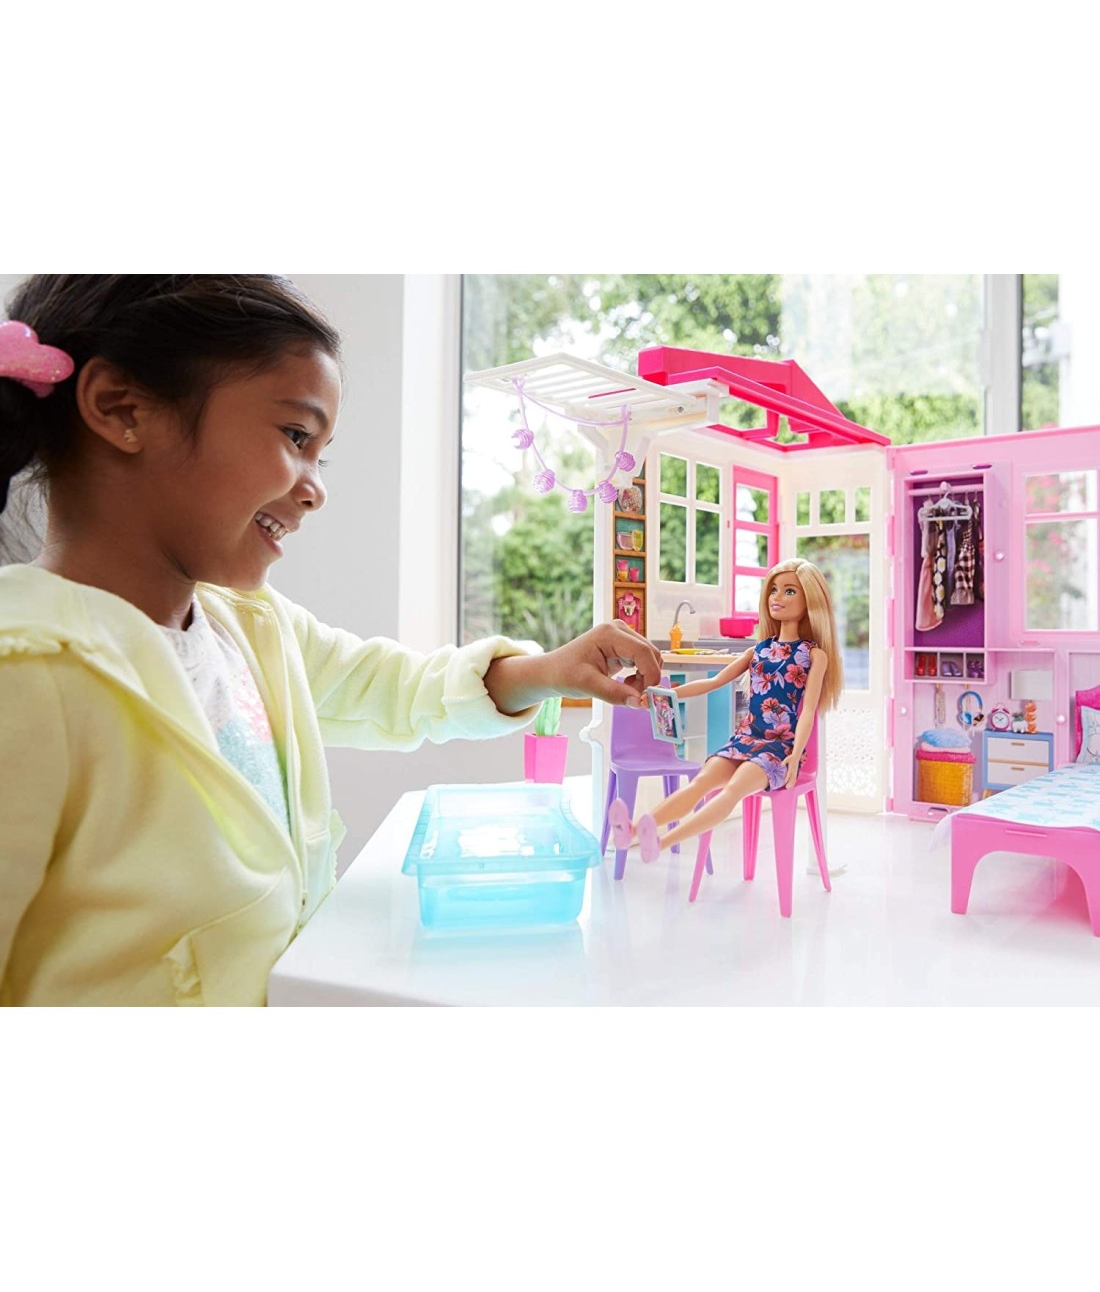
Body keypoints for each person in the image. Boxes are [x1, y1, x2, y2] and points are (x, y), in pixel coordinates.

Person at [0, 275, 661, 1006]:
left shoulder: (250, 628)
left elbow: (393, 688)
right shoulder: (27, 673)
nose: (315, 488)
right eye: (295, 437)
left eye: (321, 454)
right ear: (121, 410)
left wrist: (546, 671)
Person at [608, 558, 843, 862]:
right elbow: (714, 682)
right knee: (701, 783)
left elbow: (809, 709)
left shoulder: (813, 655)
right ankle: (633, 830)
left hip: (778, 748)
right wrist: (667, 694)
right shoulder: (757, 650)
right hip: (744, 739)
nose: (777, 597)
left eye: (789, 591)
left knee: (733, 791)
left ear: (809, 600)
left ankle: (661, 843)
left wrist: (796, 755)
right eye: (773, 590)